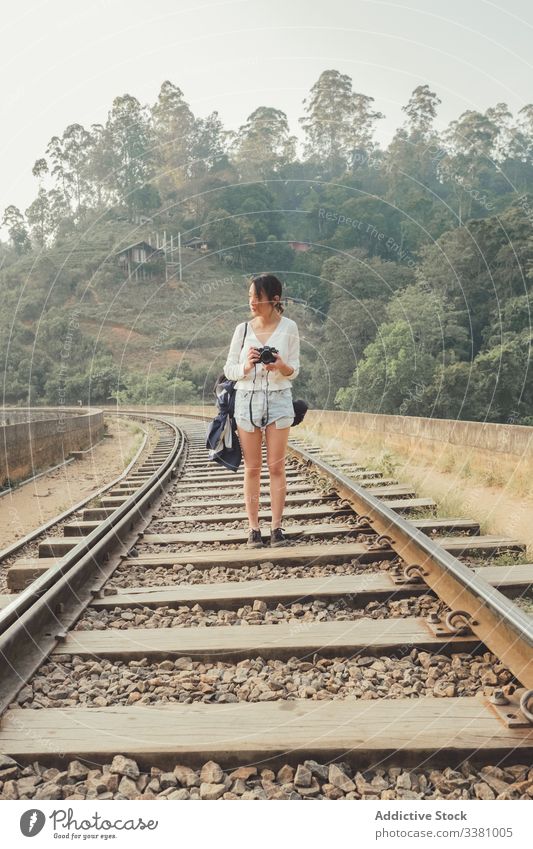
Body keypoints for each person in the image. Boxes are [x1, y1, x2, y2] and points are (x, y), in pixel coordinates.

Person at [223, 273, 300, 548]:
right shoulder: (242, 329)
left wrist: (279, 365)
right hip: (246, 401)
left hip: (279, 399)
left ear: (274, 299)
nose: (252, 302)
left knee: (276, 467)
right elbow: (228, 369)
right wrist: (246, 368)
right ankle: (253, 529)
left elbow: (294, 370)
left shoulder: (289, 327)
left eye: (257, 297)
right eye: (250, 297)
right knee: (252, 469)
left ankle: (277, 528)